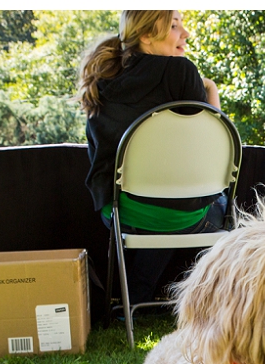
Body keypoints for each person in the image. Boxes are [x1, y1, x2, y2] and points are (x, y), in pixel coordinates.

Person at [78, 10, 224, 304]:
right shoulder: (181, 72)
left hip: (122, 214)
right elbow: (214, 149)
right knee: (215, 204)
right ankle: (201, 300)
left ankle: (136, 297)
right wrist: (211, 88)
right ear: (146, 35)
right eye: (174, 25)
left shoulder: (101, 81)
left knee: (156, 204)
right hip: (181, 215)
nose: (185, 33)